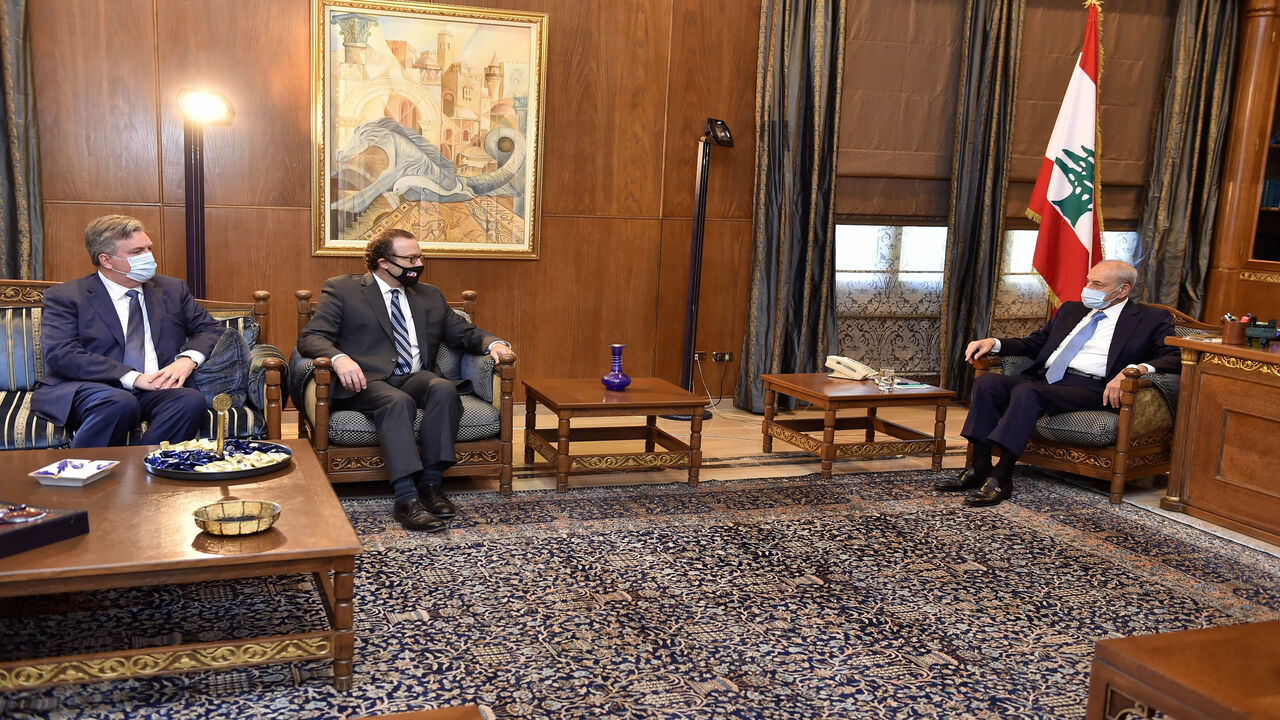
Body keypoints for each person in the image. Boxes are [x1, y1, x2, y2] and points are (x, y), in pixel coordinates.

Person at [297, 228, 514, 533]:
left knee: (442, 389)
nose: (418, 263)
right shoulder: (343, 290)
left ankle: (431, 484)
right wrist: (339, 359)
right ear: (384, 262)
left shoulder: (429, 295)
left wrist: (494, 344)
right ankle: (406, 497)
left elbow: (463, 332)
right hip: (367, 381)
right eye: (411, 258)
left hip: (413, 376)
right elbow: (311, 338)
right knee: (396, 401)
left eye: (420, 256)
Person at [940, 259, 1179, 507]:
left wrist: (1133, 370)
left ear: (1123, 290)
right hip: (1048, 380)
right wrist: (994, 343)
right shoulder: (1071, 310)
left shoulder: (1152, 318)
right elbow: (1035, 344)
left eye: (1096, 284)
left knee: (1027, 391)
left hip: (1093, 388)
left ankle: (1001, 476)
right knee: (988, 383)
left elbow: (1174, 357)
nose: (1086, 288)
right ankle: (979, 466)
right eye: (1087, 281)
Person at [33, 215, 223, 448]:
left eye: (149, 249)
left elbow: (211, 329)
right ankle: (78, 472)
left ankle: (146, 470)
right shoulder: (67, 296)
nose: (149, 257)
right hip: (95, 387)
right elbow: (62, 354)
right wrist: (134, 378)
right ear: (107, 260)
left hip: (156, 387)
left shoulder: (172, 289)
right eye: (137, 252)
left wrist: (187, 360)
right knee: (120, 402)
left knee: (190, 400)